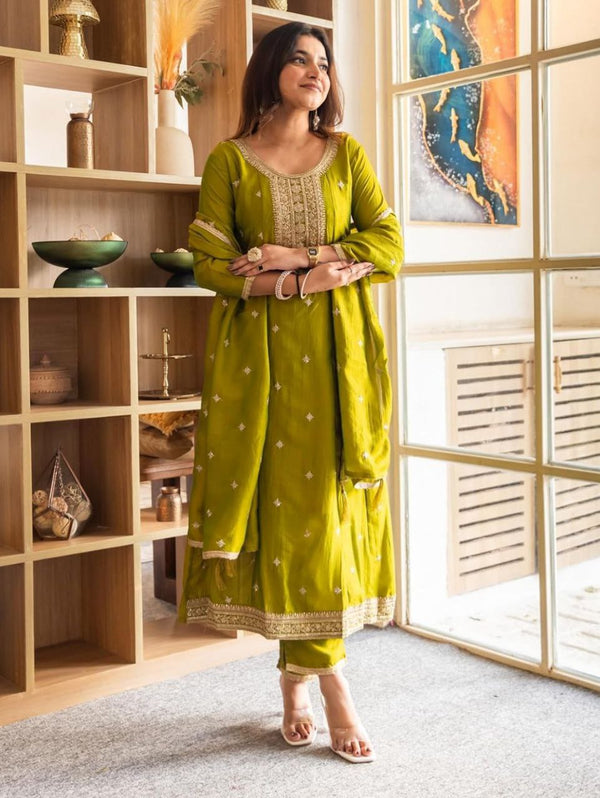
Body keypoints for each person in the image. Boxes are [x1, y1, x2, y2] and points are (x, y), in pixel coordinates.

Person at [179, 21, 403, 763]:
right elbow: (209, 259)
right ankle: (328, 687)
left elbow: (389, 246)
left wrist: (301, 251)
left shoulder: (348, 156)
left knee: (319, 519)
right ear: (271, 70)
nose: (317, 71)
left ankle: (302, 683)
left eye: (325, 62)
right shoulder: (230, 161)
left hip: (338, 362)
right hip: (262, 365)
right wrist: (292, 282)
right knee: (286, 518)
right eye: (301, 59)